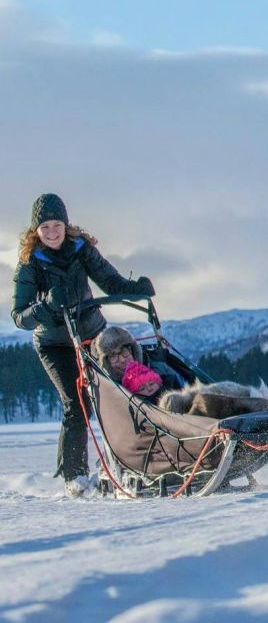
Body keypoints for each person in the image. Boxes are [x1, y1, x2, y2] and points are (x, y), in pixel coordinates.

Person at [10, 194, 155, 497]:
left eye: (57, 225)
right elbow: (20, 317)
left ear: (66, 224)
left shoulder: (81, 249)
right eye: (45, 227)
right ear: (36, 230)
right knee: (77, 405)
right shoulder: (30, 263)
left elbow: (110, 281)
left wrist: (135, 289)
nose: (52, 232)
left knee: (120, 394)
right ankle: (74, 477)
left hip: (93, 335)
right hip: (55, 344)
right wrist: (46, 306)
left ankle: (132, 460)